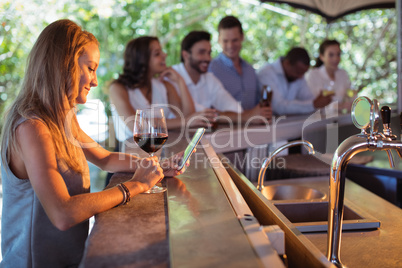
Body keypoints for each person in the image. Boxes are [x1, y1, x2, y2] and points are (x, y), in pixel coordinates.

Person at [0, 19, 187, 267]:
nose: (96, 80)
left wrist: (156, 167)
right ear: (62, 65)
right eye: (90, 68)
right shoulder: (32, 127)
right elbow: (63, 214)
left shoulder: (61, 118)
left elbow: (105, 158)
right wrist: (135, 186)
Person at [109, 36, 197, 145]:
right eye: (157, 54)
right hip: (129, 152)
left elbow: (189, 116)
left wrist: (180, 81)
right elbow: (136, 127)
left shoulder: (164, 86)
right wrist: (186, 121)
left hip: (159, 148)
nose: (164, 55)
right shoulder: (118, 88)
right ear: (142, 59)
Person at [173, 30, 271, 124]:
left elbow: (234, 109)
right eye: (201, 52)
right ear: (185, 55)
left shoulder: (209, 78)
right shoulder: (171, 77)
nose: (208, 58)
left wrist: (248, 115)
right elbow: (196, 115)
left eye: (209, 53)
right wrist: (247, 116)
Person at [257, 47, 333, 115]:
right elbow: (277, 107)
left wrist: (320, 101)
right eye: (298, 72)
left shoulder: (298, 76)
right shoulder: (267, 74)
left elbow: (309, 98)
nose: (300, 77)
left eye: (303, 73)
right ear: (287, 63)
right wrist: (313, 104)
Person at [208, 16, 261, 112]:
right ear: (219, 40)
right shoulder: (211, 70)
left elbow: (258, 103)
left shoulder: (250, 70)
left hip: (255, 126)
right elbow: (208, 109)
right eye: (225, 41)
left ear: (242, 37)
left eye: (234, 40)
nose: (230, 46)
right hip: (225, 126)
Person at [305, 39, 352, 104]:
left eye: (338, 54)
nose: (336, 59)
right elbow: (311, 104)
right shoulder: (313, 75)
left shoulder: (343, 74)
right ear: (321, 57)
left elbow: (351, 98)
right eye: (331, 55)